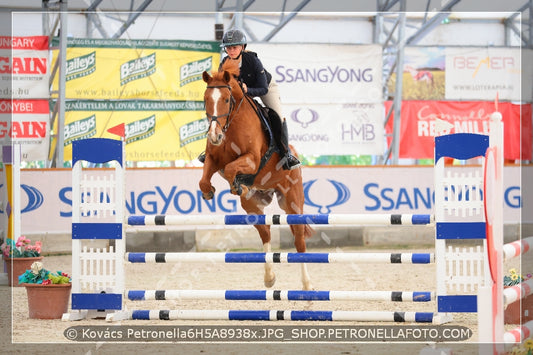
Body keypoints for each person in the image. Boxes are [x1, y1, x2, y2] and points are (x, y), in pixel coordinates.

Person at [199, 28, 301, 170]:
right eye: (228, 48)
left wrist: (248, 90)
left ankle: (286, 154)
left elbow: (263, 88)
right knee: (220, 112)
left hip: (265, 88)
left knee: (277, 115)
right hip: (240, 94)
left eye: (234, 47)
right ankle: (212, 150)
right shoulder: (224, 64)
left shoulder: (253, 61)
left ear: (242, 47)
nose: (231, 51)